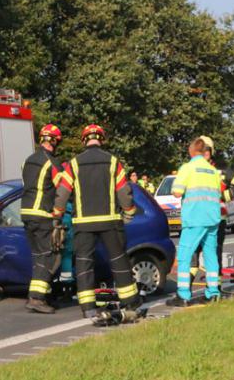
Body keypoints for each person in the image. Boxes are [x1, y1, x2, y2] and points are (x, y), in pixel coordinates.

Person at [54, 124, 142, 324]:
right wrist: (129, 213)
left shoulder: (74, 164)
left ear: (84, 140)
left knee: (84, 264)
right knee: (119, 261)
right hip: (110, 221)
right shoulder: (112, 162)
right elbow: (124, 192)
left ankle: (88, 308)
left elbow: (63, 192)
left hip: (83, 224)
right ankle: (129, 302)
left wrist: (57, 214)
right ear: (101, 139)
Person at [167, 138, 223, 307]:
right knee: (211, 256)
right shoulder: (213, 171)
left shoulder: (187, 168)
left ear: (191, 152)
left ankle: (183, 295)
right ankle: (213, 293)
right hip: (212, 218)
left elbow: (177, 192)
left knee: (184, 256)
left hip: (194, 218)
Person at [20, 124, 68, 314]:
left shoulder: (28, 160)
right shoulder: (52, 162)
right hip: (43, 215)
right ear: (55, 141)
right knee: (48, 256)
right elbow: (63, 189)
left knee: (38, 256)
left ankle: (42, 295)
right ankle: (37, 298)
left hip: (26, 213)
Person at [187, 136, 234, 292]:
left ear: (211, 151)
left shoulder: (222, 171)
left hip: (217, 219)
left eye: (207, 150)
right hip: (197, 218)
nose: (205, 153)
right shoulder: (192, 168)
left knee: (214, 255)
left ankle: (214, 290)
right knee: (192, 256)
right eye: (202, 150)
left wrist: (224, 197)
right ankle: (185, 291)